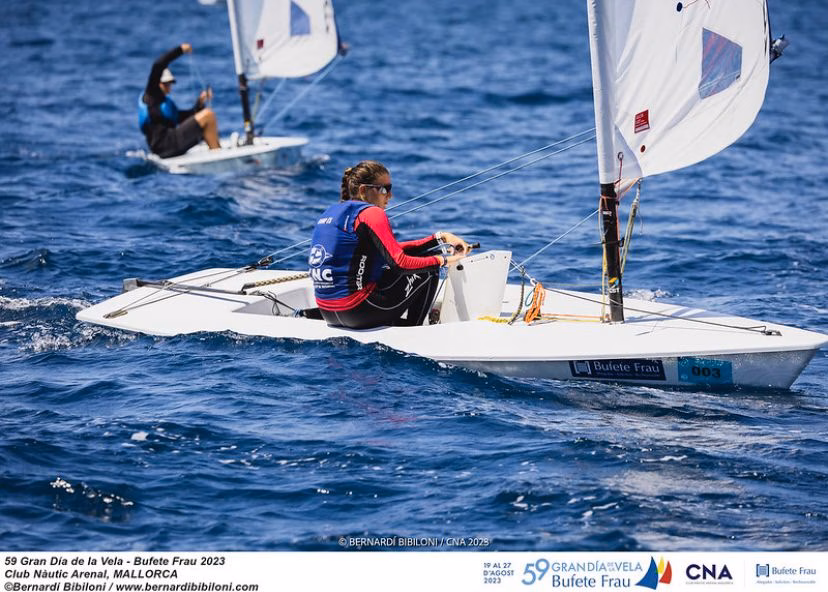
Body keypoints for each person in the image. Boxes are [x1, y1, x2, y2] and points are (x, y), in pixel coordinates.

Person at [309, 160, 470, 330]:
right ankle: (414, 330)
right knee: (428, 267)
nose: (390, 195)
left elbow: (390, 249)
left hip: (328, 312)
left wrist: (441, 238)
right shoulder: (371, 213)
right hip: (358, 312)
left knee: (403, 264)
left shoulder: (330, 212)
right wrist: (444, 260)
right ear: (364, 190)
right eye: (384, 189)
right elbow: (400, 263)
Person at [138, 43, 220, 158]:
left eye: (170, 84)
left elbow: (184, 118)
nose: (168, 87)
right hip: (166, 145)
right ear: (158, 83)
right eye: (165, 84)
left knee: (205, 117)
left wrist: (200, 102)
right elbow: (158, 65)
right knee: (209, 115)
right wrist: (181, 49)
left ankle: (216, 148)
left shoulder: (163, 103)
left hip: (166, 145)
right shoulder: (151, 95)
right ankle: (217, 155)